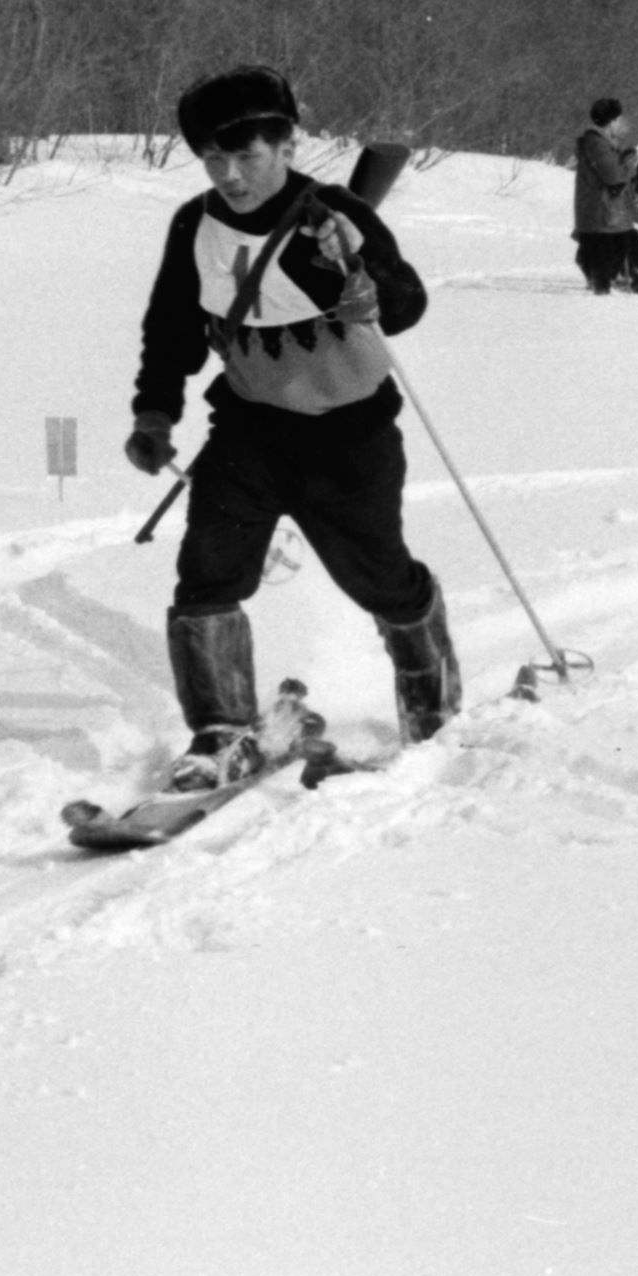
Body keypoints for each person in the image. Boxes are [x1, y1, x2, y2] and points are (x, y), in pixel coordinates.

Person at [124, 65, 461, 787]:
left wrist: (357, 264)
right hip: (249, 429)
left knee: (378, 577)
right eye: (214, 158)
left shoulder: (334, 215)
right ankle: (220, 729)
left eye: (246, 156)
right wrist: (155, 412)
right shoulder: (196, 223)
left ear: (286, 145)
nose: (230, 174)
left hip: (350, 434)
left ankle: (430, 695)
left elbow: (405, 307)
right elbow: (172, 327)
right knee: (207, 575)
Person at [569, 98, 638, 295]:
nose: (622, 123)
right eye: (619, 119)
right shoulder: (597, 144)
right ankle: (619, 283)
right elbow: (615, 180)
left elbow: (621, 189)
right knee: (618, 261)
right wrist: (629, 163)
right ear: (612, 121)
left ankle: (619, 281)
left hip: (605, 220)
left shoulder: (604, 145)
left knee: (623, 251)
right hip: (602, 221)